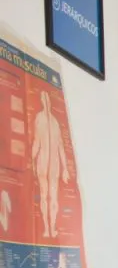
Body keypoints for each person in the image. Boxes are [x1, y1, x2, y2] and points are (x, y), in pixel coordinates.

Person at [31, 90, 70, 238]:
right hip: (44, 162)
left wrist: (65, 168)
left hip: (53, 165)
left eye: (47, 99)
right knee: (45, 196)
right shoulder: (41, 119)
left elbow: (60, 147)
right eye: (44, 98)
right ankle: (47, 229)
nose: (46, 101)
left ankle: (51, 228)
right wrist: (32, 160)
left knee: (52, 197)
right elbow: (36, 142)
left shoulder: (54, 122)